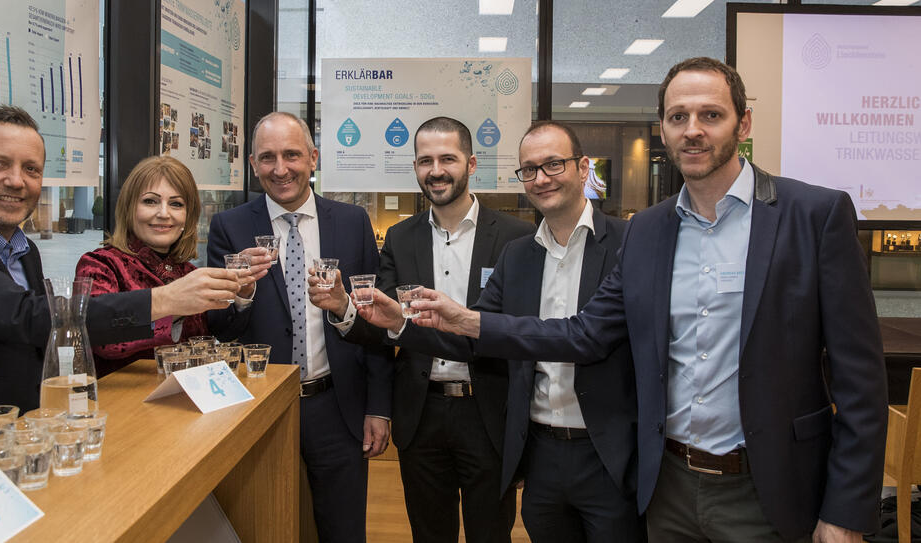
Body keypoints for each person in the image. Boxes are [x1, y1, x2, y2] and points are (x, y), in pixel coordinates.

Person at [377, 57, 887, 542]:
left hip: (770, 487)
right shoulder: (651, 230)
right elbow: (585, 333)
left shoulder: (813, 216)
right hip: (667, 485)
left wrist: (845, 509)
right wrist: (462, 321)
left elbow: (860, 381)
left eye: (711, 115)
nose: (692, 129)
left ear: (744, 122)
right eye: (677, 117)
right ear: (663, 131)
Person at [0, 105, 245, 496]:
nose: (16, 181)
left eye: (31, 169)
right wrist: (163, 300)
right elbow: (26, 318)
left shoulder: (23, 250)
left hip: (3, 447)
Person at [350, 120, 643, 541]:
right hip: (538, 448)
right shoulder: (520, 255)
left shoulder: (626, 241)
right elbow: (475, 340)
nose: (541, 178)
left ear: (583, 168)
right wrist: (398, 322)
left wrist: (468, 320)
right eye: (530, 169)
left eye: (553, 165)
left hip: (608, 451)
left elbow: (586, 336)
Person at [306, 116, 531, 542]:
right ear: (414, 168)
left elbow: (521, 331)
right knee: (429, 534)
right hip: (420, 413)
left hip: (488, 411)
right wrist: (343, 309)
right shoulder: (399, 237)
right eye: (425, 160)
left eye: (448, 158)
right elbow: (386, 328)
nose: (436, 170)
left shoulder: (515, 238)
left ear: (472, 163)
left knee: (491, 533)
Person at [206, 111, 393, 542]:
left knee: (343, 531)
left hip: (336, 406)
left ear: (313, 158)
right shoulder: (229, 228)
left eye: (292, 155)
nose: (280, 169)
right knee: (265, 526)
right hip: (258, 409)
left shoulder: (352, 222)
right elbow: (219, 328)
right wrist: (242, 292)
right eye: (267, 158)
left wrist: (378, 407)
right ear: (253, 165)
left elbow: (376, 328)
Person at [75, 156, 266, 376]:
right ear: (129, 209)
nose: (164, 214)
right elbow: (102, 340)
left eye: (176, 204)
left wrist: (241, 291)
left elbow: (220, 333)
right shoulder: (100, 266)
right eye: (150, 201)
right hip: (125, 406)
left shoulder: (188, 272)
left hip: (188, 404)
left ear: (187, 217)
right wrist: (173, 305)